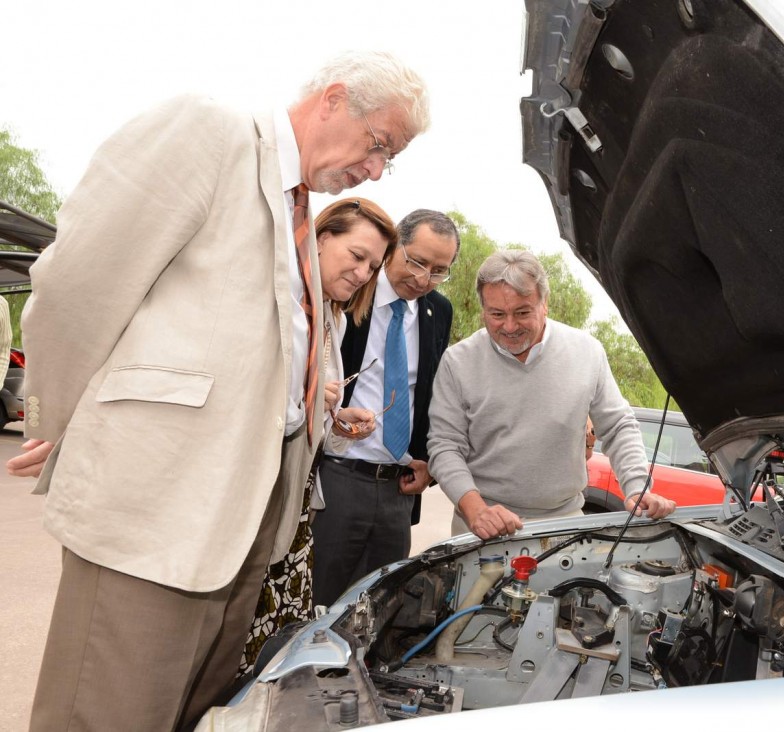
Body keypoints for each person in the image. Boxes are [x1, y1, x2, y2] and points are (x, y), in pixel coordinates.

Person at [6, 50, 429, 731]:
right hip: (158, 512)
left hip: (241, 533)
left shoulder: (298, 213)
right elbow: (78, 282)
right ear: (333, 99)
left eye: (390, 159)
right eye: (379, 145)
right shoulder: (211, 133)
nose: (376, 169)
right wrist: (53, 417)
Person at [239, 196, 396, 676]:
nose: (364, 273)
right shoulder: (276, 300)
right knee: (240, 628)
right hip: (253, 491)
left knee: (273, 637)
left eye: (373, 266)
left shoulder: (334, 317)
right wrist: (308, 395)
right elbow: (245, 394)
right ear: (322, 238)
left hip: (296, 499)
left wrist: (338, 420)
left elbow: (315, 428)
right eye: (357, 255)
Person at [428, 250, 676, 540]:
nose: (509, 327)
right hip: (481, 523)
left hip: (564, 521)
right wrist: (476, 510)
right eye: (497, 314)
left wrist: (637, 486)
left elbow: (618, 425)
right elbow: (445, 445)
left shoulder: (587, 351)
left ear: (545, 304)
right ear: (483, 310)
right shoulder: (457, 362)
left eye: (522, 312)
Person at [311, 209, 459, 607]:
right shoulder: (350, 292)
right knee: (318, 602)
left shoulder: (438, 312)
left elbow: (429, 392)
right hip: (338, 477)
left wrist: (426, 460)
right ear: (394, 248)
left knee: (378, 609)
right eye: (417, 261)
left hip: (399, 489)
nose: (424, 278)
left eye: (439, 270)